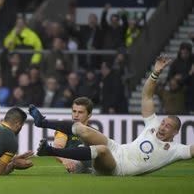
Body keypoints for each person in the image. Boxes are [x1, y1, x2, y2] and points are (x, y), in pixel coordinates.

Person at [29, 55, 194, 176]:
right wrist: (155, 73)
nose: (162, 126)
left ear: (175, 133)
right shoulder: (153, 125)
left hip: (119, 168)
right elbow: (147, 96)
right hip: (118, 148)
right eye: (163, 122)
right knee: (82, 129)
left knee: (101, 150)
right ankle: (42, 122)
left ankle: (49, 151)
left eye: (168, 126)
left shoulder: (177, 150)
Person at [50, 97, 93, 173]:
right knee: (82, 150)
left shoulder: (93, 132)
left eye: (80, 112)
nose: (76, 115)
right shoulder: (64, 130)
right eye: (74, 111)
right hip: (75, 164)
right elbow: (57, 148)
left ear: (89, 115)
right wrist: (65, 160)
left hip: (93, 162)